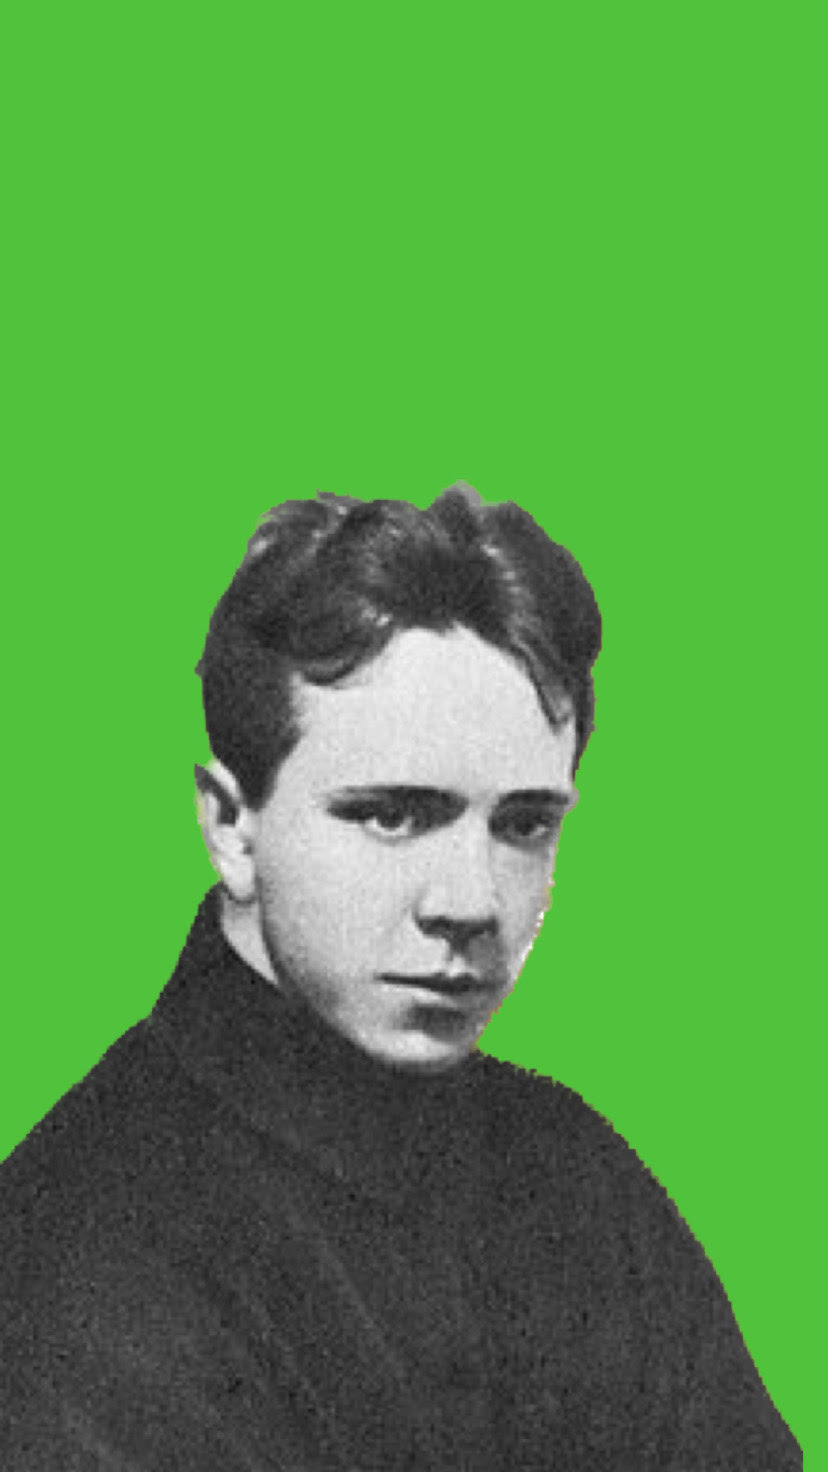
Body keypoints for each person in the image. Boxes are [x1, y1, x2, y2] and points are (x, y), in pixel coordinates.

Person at [0, 485, 800, 1470]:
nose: (471, 901)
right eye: (392, 815)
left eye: (523, 824)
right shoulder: (72, 1243)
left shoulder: (583, 1177)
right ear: (231, 826)